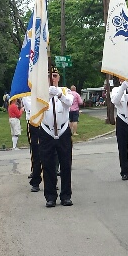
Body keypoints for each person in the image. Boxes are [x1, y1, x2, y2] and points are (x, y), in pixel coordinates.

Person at [39, 66, 74, 207]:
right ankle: (50, 196)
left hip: (63, 130)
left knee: (65, 164)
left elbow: (69, 103)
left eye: (54, 75)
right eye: (49, 76)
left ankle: (66, 195)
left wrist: (59, 94)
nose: (52, 78)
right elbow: (35, 106)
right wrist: (47, 94)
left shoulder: (66, 90)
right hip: (47, 131)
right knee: (48, 165)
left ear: (58, 77)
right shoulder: (41, 92)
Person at [110, 78, 128, 180]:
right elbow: (115, 100)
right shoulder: (116, 89)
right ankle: (124, 171)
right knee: (122, 147)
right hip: (122, 119)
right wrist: (123, 88)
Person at [24, 96, 43, 193]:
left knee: (51, 153)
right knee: (36, 153)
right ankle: (36, 181)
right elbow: (31, 108)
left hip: (47, 122)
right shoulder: (27, 94)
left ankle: (51, 180)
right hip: (33, 123)